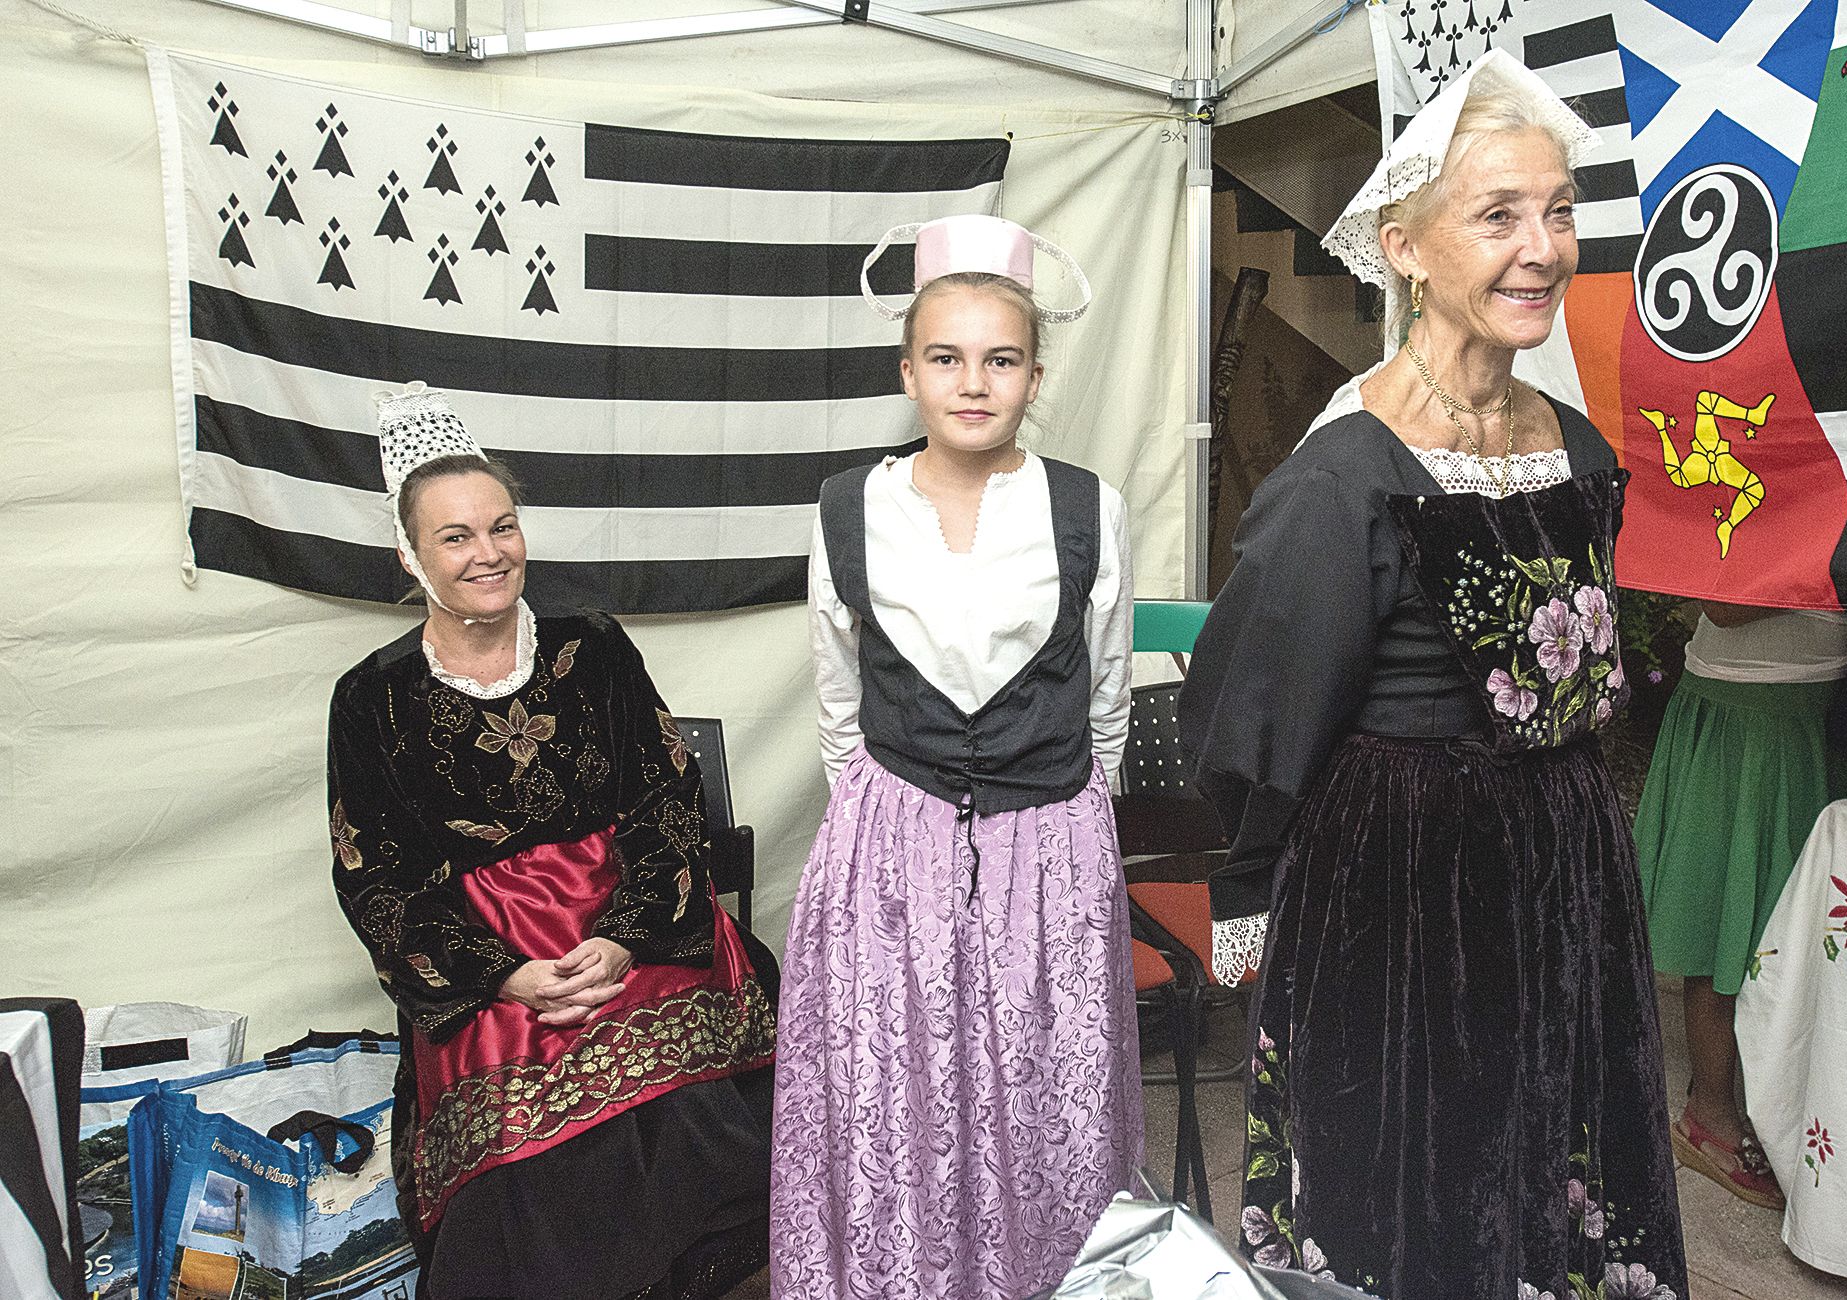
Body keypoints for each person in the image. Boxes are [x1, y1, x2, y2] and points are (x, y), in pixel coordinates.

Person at [1181, 51, 1687, 1300]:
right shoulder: (1342, 467)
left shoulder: (1568, 441)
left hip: (1563, 872)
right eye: (1498, 214)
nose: (1541, 247)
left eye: (1558, 210)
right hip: (1403, 891)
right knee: (1420, 1187)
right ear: (1403, 247)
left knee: (1548, 1173)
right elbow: (1246, 698)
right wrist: (1250, 895)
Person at [327, 384, 778, 1300]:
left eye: (502, 526)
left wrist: (621, 937)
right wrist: (505, 975)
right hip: (487, 948)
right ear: (410, 556)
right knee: (523, 1146)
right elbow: (374, 876)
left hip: (630, 918)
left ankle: (705, 1274)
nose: (487, 554)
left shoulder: (594, 647)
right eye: (455, 537)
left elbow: (666, 802)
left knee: (687, 1100)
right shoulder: (369, 698)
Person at [769, 215, 1143, 1299]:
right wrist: (896, 833)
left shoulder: (1086, 507)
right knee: (901, 1093)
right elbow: (840, 700)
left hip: (1050, 836)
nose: (971, 382)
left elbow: (1104, 694)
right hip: (891, 844)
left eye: (1000, 358)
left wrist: (1065, 836)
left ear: (1032, 373)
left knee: (1044, 1094)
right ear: (907, 372)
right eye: (945, 357)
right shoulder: (850, 507)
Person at [1635, 604, 1847, 1209]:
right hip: (1748, 704)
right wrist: (1813, 545)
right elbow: (1726, 602)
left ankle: (1798, 1114)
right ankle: (1708, 1113)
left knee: (1816, 924)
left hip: (1836, 697)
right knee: (1728, 912)